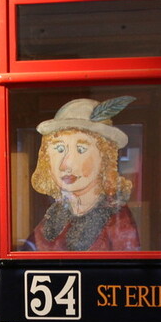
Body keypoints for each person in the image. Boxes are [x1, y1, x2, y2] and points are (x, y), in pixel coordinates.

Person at [26, 96, 140, 251]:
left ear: (104, 157)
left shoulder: (117, 221)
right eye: (59, 149)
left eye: (81, 150)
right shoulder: (54, 217)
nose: (66, 164)